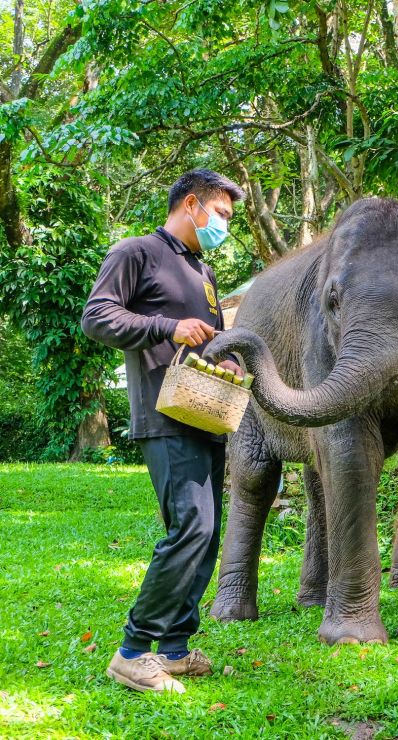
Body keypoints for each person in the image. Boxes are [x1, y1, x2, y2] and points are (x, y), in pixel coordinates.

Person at [82, 169, 245, 693]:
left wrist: (228, 357)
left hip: (209, 413)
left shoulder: (202, 270)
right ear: (192, 204)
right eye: (221, 214)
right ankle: (132, 651)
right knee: (190, 528)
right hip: (165, 414)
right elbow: (96, 316)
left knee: (208, 534)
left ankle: (173, 647)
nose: (225, 225)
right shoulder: (136, 253)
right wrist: (164, 326)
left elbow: (206, 338)